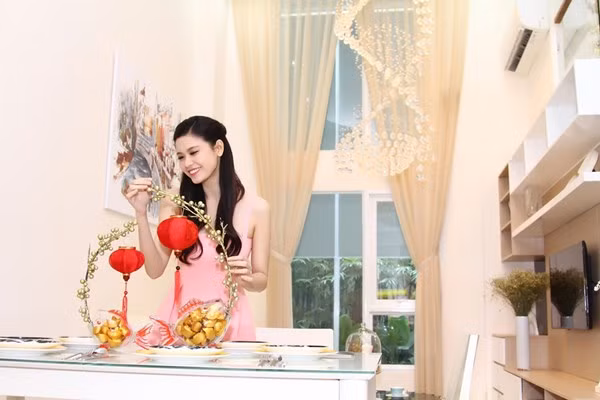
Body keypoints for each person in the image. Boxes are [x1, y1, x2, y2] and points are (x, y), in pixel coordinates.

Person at [125, 116, 270, 341]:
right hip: (180, 323)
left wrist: (248, 278)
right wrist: (141, 214)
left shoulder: (257, 208)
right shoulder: (174, 202)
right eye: (181, 157)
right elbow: (154, 269)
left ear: (218, 148)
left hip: (229, 323)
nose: (187, 163)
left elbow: (262, 280)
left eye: (194, 152)